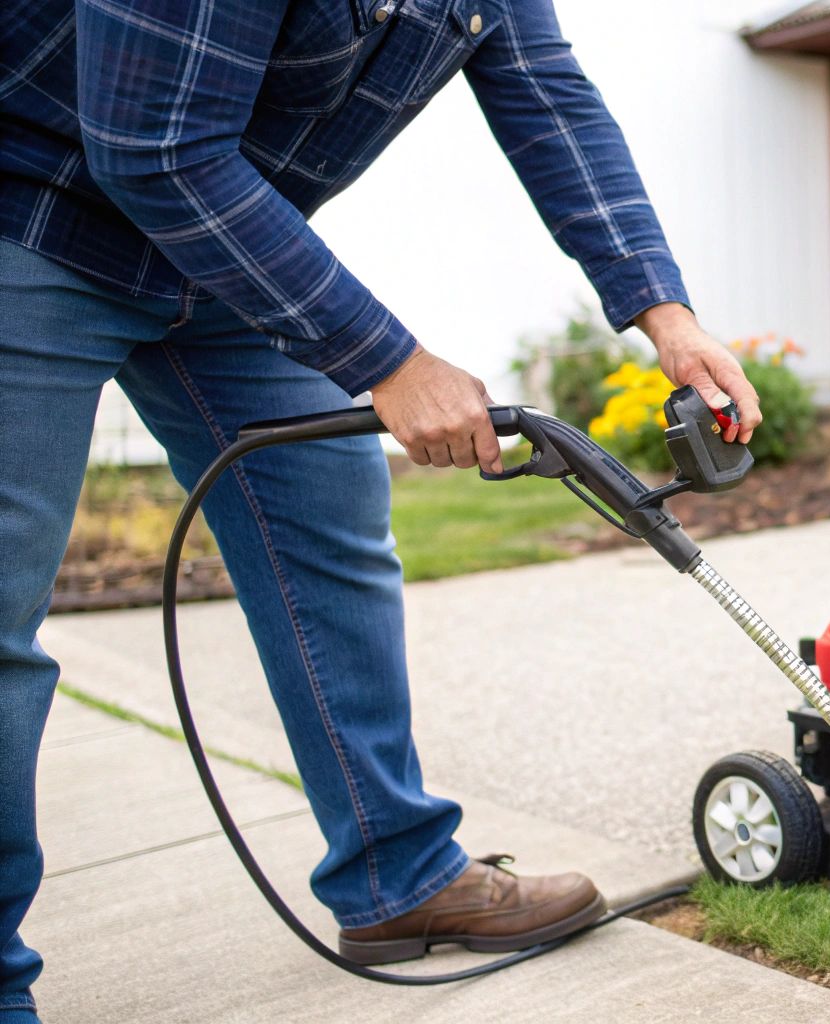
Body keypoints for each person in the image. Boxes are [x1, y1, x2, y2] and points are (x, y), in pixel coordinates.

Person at [0, 1, 763, 1017]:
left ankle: (396, 879)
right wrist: (388, 361)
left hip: (215, 243)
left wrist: (664, 312)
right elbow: (156, 146)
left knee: (325, 512)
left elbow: (548, 99)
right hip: (32, 209)